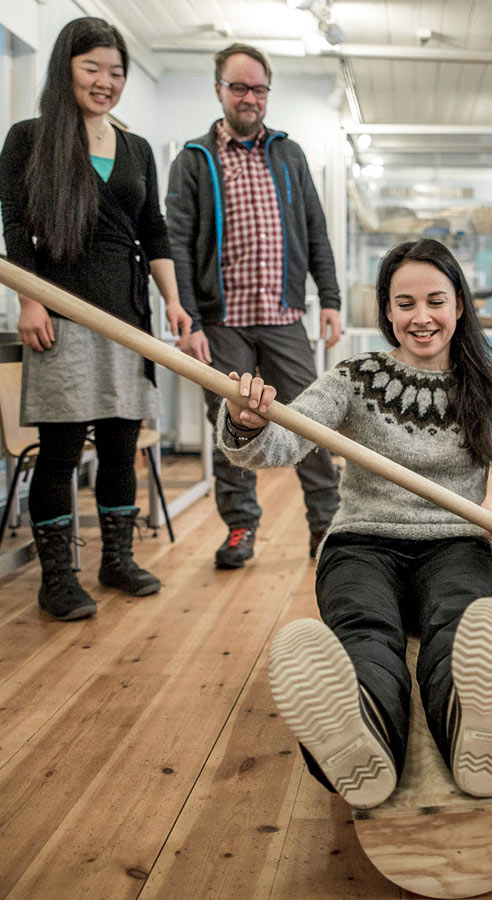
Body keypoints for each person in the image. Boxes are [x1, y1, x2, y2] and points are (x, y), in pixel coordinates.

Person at [219, 239, 492, 808]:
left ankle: (477, 729)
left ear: (460, 306)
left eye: (435, 301)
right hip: (362, 543)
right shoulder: (352, 378)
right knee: (366, 632)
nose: (420, 318)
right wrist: (245, 421)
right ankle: (362, 737)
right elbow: (280, 444)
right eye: (404, 304)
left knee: (457, 627)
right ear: (387, 311)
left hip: (454, 545)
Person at [0, 17, 192, 621]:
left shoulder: (134, 148)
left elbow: (153, 231)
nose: (106, 82)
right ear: (66, 69)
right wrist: (29, 299)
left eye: (116, 71)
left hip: (128, 318)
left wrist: (175, 302)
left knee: (119, 446)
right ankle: (57, 577)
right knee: (59, 451)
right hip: (61, 312)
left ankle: (116, 560)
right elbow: (15, 228)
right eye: (92, 69)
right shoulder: (29, 139)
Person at [166, 42, 342, 571]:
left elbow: (315, 230)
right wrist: (189, 319)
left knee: (310, 423)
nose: (250, 97)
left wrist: (329, 299)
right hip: (222, 324)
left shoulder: (289, 154)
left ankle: (326, 529)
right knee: (230, 426)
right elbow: (175, 240)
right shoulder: (195, 159)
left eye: (259, 88)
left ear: (268, 93)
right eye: (239, 87)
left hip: (285, 316)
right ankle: (241, 528)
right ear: (219, 89)